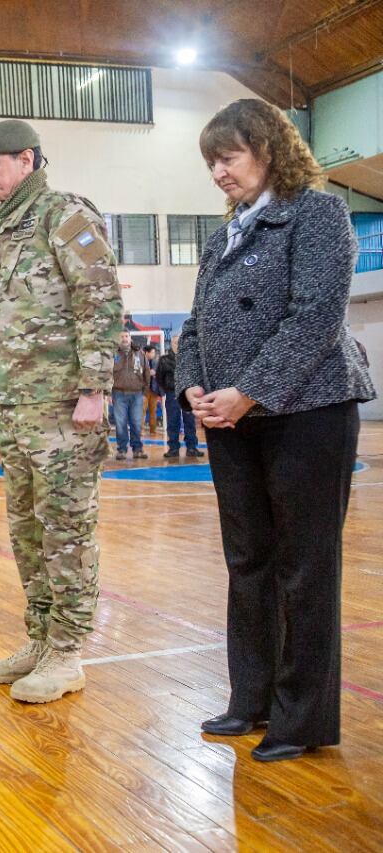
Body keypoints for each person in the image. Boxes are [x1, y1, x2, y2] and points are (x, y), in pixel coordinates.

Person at [178, 99, 375, 761]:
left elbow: (314, 318)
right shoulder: (224, 234)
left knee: (305, 568)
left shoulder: (318, 215)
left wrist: (249, 391)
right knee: (248, 562)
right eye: (211, 161)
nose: (218, 172)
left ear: (268, 148)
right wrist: (193, 385)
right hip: (230, 419)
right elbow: (194, 326)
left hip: (307, 413)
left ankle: (302, 716)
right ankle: (251, 698)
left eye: (227, 156)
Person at [0, 119, 124, 703]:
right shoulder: (13, 225)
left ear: (27, 158)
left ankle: (68, 652)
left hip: (65, 405)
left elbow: (98, 296)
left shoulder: (65, 213)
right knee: (28, 530)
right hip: (18, 403)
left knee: (67, 529)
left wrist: (94, 388)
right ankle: (38, 639)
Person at [156, 335, 203, 458]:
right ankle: (173, 448)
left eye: (180, 342)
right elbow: (159, 378)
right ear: (171, 344)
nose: (178, 344)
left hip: (188, 393)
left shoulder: (189, 358)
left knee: (190, 421)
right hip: (172, 394)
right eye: (176, 342)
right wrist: (166, 389)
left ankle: (192, 447)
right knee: (173, 421)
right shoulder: (164, 360)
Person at [111, 331, 150, 460]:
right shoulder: (113, 354)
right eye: (121, 336)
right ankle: (121, 450)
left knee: (136, 423)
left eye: (126, 336)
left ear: (130, 338)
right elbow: (107, 374)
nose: (124, 339)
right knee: (120, 423)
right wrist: (107, 392)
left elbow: (147, 373)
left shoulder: (140, 354)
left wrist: (145, 392)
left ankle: (137, 449)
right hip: (118, 393)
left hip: (137, 394)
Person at [142, 344, 163, 435]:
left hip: (154, 390)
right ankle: (140, 430)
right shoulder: (140, 361)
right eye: (152, 352)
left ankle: (153, 430)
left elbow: (159, 374)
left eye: (154, 352)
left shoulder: (156, 362)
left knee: (153, 411)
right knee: (141, 411)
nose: (154, 354)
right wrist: (147, 373)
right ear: (147, 353)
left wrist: (155, 374)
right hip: (143, 391)